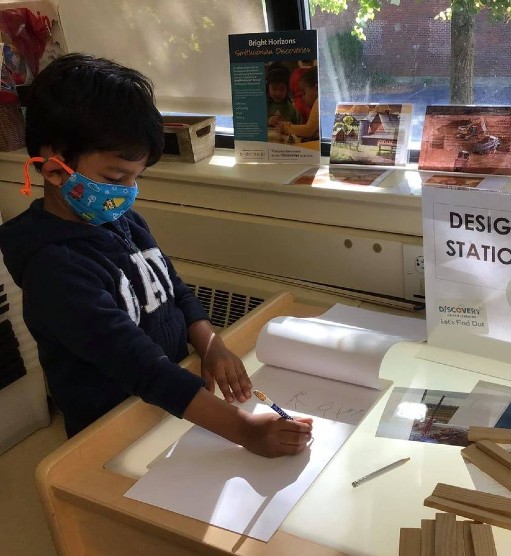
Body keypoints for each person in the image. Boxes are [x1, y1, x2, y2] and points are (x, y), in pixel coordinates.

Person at [0, 53, 312, 457]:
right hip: (112, 427)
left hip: (172, 402)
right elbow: (138, 366)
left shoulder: (123, 220)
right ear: (55, 169)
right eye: (115, 178)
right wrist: (246, 430)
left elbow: (172, 289)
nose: (129, 191)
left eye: (136, 178)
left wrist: (210, 342)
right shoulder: (54, 268)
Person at [280, 67, 319, 142]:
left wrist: (285, 127)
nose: (303, 98)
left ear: (316, 89)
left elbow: (308, 130)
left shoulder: (319, 102)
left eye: (304, 93)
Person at [265, 62, 300, 129]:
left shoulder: (291, 108)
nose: (278, 93)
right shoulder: (263, 106)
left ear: (287, 88)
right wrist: (268, 121)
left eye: (282, 89)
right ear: (267, 87)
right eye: (274, 89)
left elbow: (298, 126)